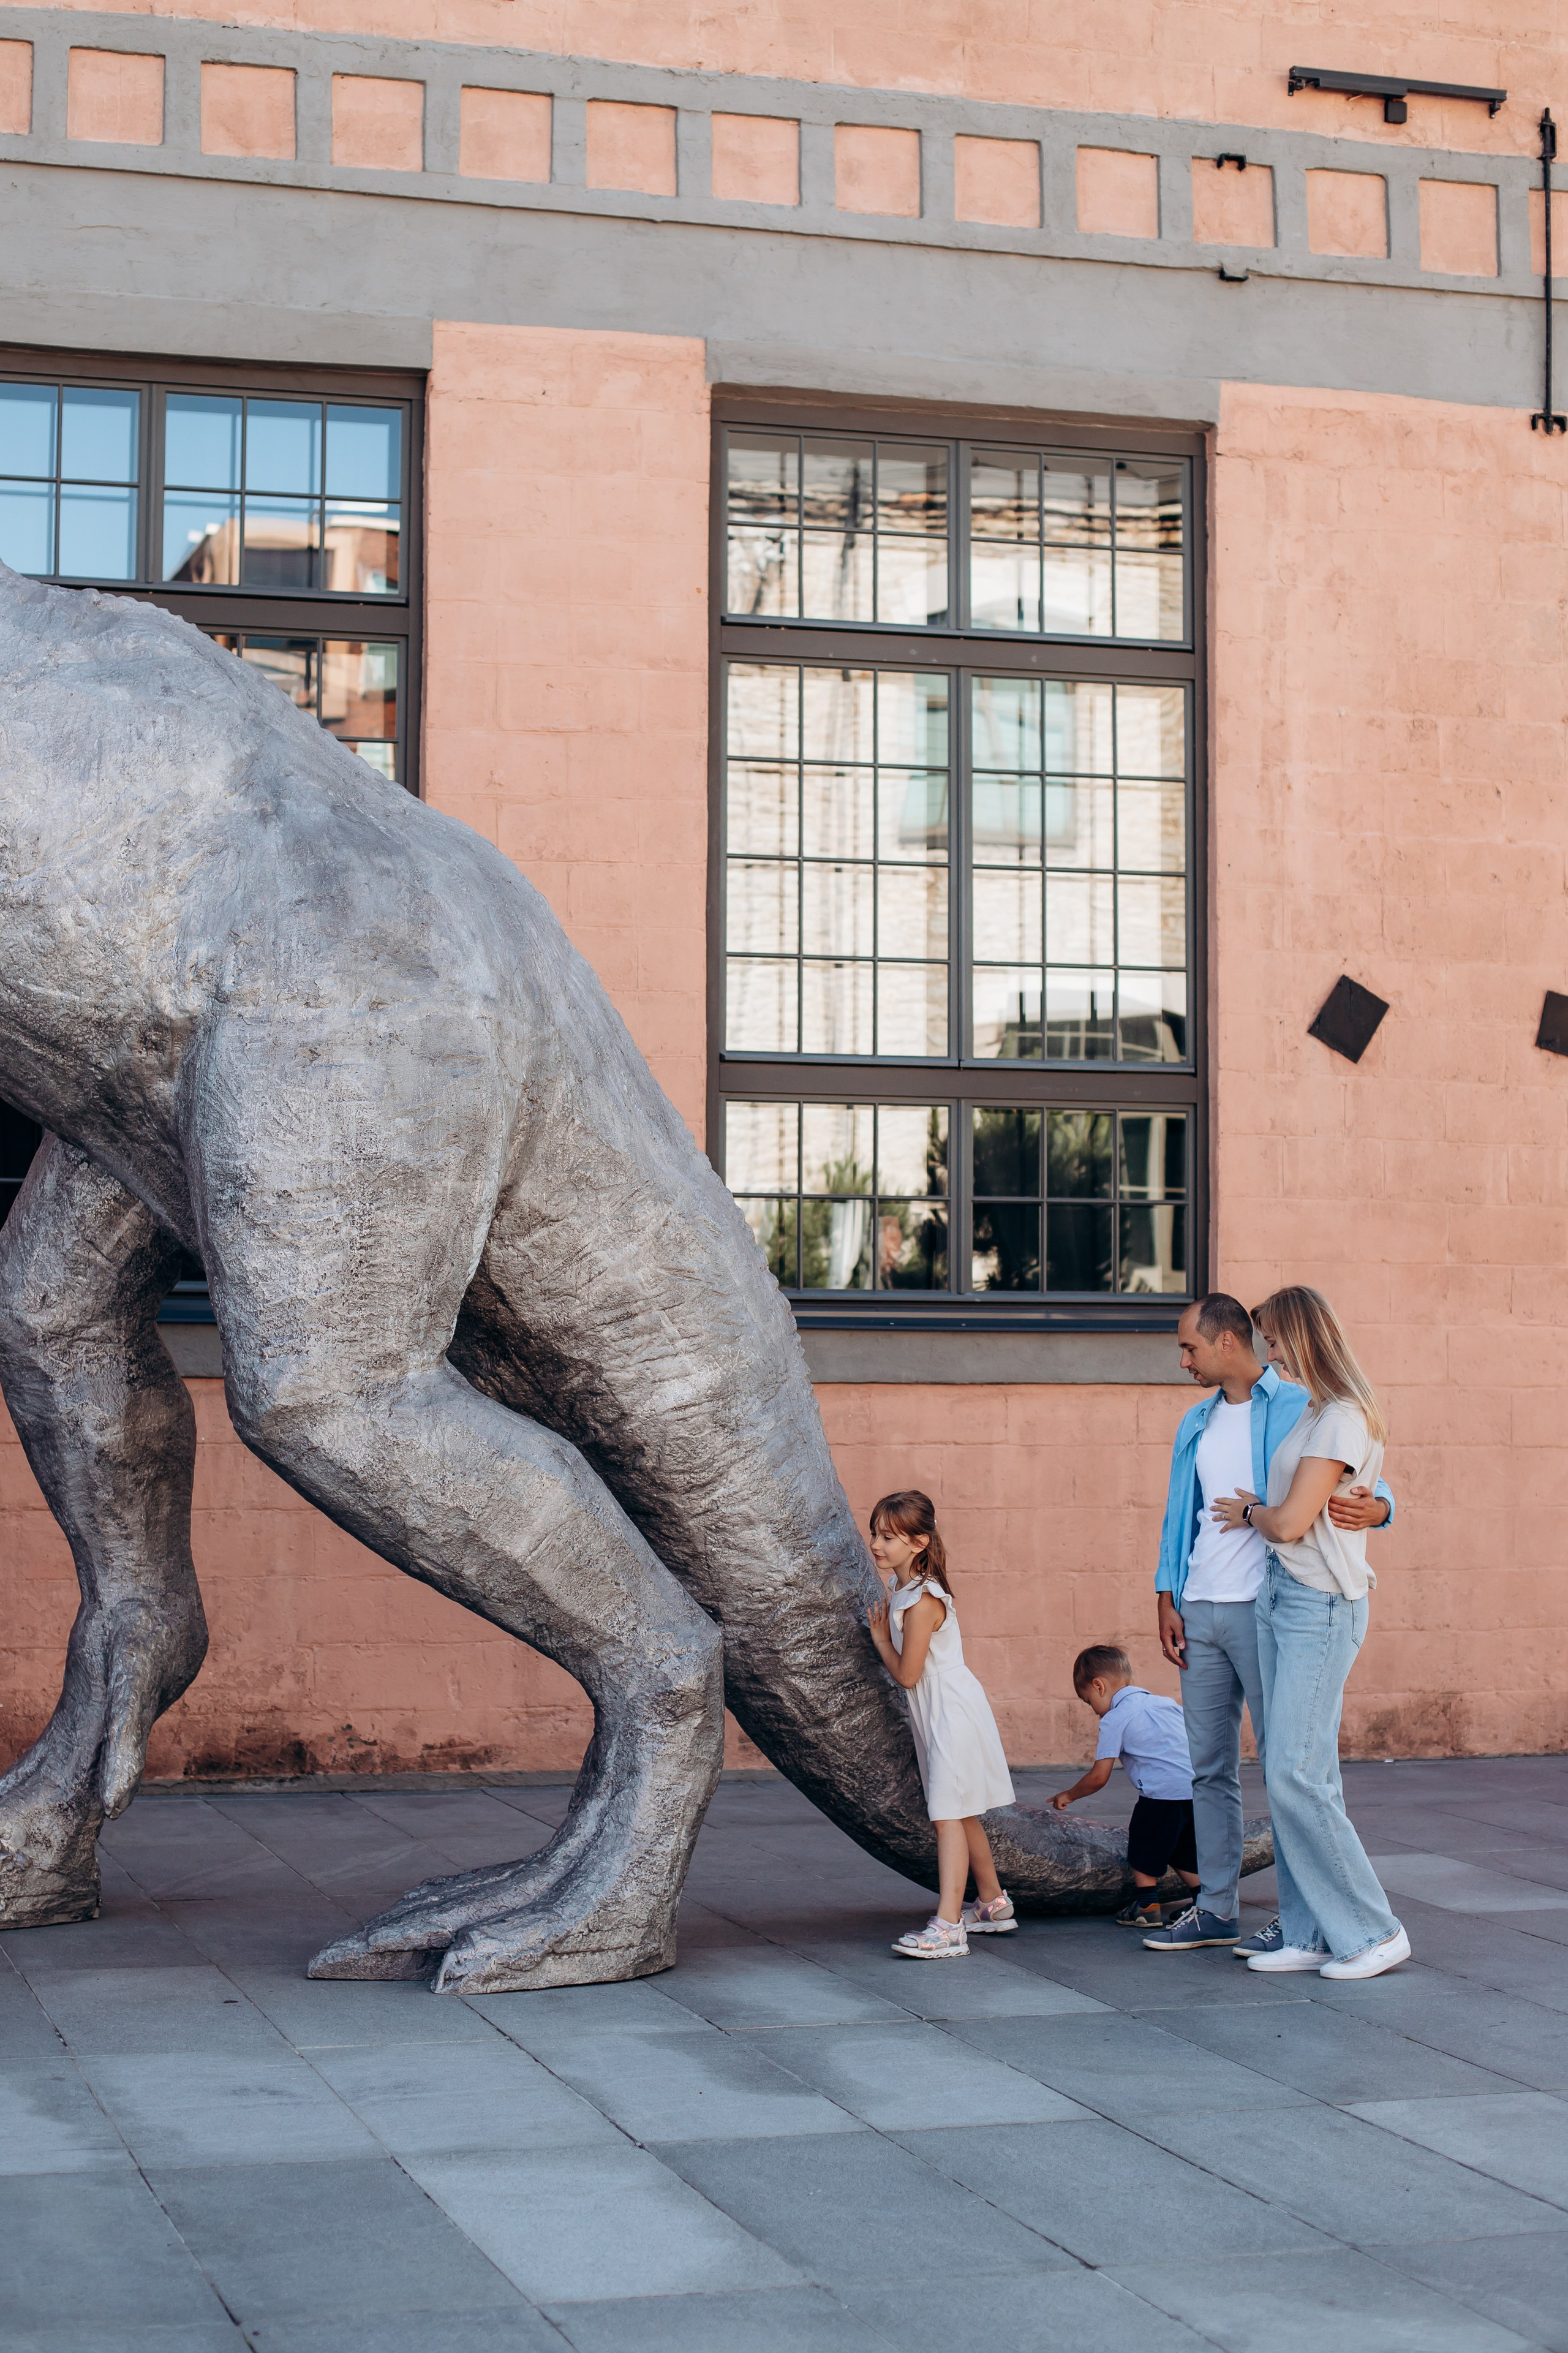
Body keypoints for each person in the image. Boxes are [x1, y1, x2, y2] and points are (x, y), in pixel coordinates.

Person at [1142, 1292, 1395, 1955]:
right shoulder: (1194, 1421)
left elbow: (1359, 1473)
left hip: (1273, 1605)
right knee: (1209, 1768)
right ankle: (1215, 1907)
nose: (1182, 1362)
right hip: (1201, 1604)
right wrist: (1166, 1592)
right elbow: (1181, 1511)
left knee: (1290, 1767)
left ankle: (1300, 1917)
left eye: (1188, 1347)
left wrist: (1383, 1509)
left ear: (1228, 1341)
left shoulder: (1298, 1404)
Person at [1207, 1287, 1409, 1979]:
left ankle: (1373, 1931)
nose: (1269, 1354)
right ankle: (1310, 1930)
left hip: (1317, 1605)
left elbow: (1292, 1522)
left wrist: (1252, 1511)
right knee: (1300, 1770)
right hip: (1282, 1597)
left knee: (1295, 1771)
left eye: (1274, 1340)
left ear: (1302, 1337)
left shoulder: (1341, 1418)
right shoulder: (1319, 1411)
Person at [865, 1491, 1016, 1958]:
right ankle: (992, 1901)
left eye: (888, 1537)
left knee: (947, 1816)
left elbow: (908, 1674)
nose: (876, 1544)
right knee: (961, 1808)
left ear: (918, 1542)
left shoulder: (923, 1599)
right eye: (875, 1533)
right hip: (938, 1710)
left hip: (949, 1710)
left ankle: (949, 1924)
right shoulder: (908, 1591)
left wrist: (878, 1640)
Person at [1053, 1644, 1200, 1929]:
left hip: (1160, 1795)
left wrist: (1068, 1795)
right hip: (1195, 1790)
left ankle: (1147, 1907)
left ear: (1099, 1686)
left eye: (1088, 1701)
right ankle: (1203, 1902)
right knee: (1184, 1848)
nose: (1093, 1710)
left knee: (1143, 1846)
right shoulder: (1166, 1703)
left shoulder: (1115, 1718)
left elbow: (1099, 1776)